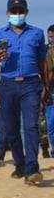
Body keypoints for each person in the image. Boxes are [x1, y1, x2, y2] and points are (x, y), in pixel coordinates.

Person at [0, 0, 50, 185]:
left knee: (31, 126)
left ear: (26, 12)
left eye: (20, 11)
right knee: (11, 128)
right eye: (14, 12)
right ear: (8, 13)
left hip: (31, 84)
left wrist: (45, 86)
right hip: (7, 84)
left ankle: (32, 168)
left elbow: (42, 62)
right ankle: (20, 163)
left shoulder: (37, 33)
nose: (17, 15)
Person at [45, 24, 54, 157]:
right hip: (50, 90)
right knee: (51, 123)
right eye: (50, 36)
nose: (51, 39)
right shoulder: (46, 50)